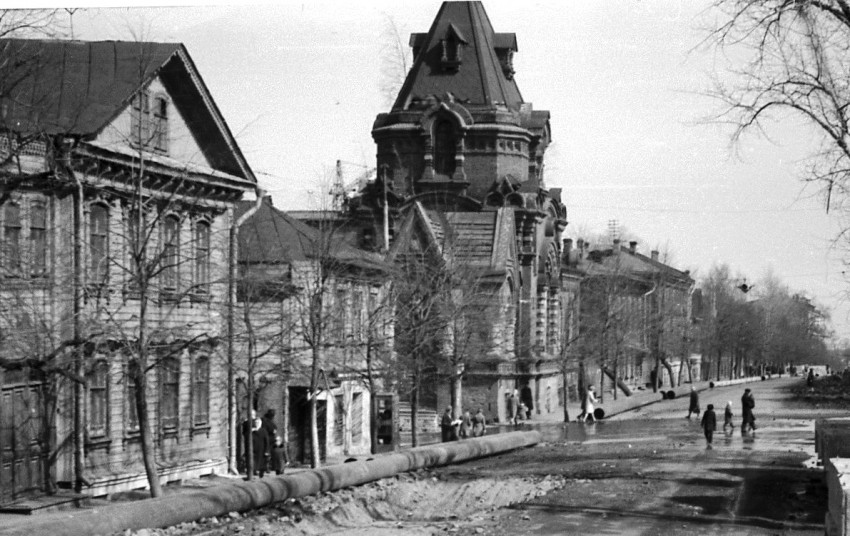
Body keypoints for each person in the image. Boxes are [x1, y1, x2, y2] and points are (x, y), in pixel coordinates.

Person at [242, 409, 269, 478]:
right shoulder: (247, 423)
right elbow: (245, 434)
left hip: (260, 447)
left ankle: (258, 471)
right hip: (251, 445)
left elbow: (266, 440)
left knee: (259, 459)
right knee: (252, 458)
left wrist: (266, 450)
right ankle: (252, 470)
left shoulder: (263, 429)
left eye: (253, 414)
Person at [262, 409, 286, 475]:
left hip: (272, 439)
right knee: (268, 454)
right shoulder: (265, 421)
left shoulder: (271, 421)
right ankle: (268, 467)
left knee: (276, 454)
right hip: (268, 439)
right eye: (273, 415)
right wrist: (272, 431)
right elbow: (265, 430)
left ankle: (278, 468)